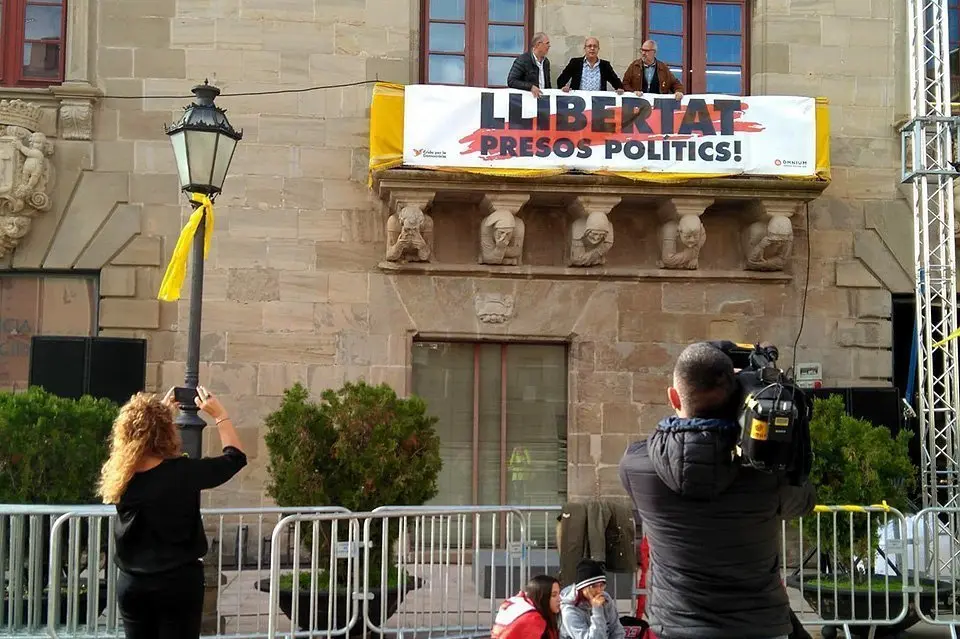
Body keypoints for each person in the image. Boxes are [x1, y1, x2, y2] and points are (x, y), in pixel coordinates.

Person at [618, 342, 816, 639]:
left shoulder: (637, 466)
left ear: (673, 396)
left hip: (677, 627)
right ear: (735, 397)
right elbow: (805, 500)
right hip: (759, 627)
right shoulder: (767, 471)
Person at [97, 386, 247, 639]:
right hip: (177, 583)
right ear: (166, 432)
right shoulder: (181, 473)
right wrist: (220, 415)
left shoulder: (120, 476)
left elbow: (140, 449)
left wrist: (160, 413)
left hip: (132, 583)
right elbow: (234, 458)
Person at [559, 559, 625, 639]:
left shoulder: (605, 597)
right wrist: (597, 610)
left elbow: (616, 629)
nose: (599, 590)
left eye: (602, 585)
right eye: (593, 586)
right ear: (582, 588)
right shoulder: (569, 610)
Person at [492, 574, 562, 639]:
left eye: (559, 594)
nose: (559, 599)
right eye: (554, 595)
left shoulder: (519, 605)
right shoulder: (533, 620)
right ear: (541, 597)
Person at [557, 37, 624, 93]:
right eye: (589, 46)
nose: (592, 48)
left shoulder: (605, 65)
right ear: (585, 48)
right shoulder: (575, 63)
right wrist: (563, 87)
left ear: (598, 49)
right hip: (578, 103)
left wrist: (620, 89)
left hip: (598, 103)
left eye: (595, 46)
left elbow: (616, 82)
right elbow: (561, 80)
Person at [507, 32, 552, 97]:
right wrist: (530, 87)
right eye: (547, 43)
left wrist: (560, 92)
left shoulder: (546, 62)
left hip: (542, 101)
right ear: (538, 45)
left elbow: (547, 85)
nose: (549, 46)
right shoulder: (523, 60)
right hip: (527, 101)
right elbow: (511, 81)